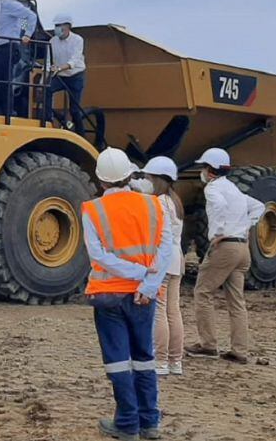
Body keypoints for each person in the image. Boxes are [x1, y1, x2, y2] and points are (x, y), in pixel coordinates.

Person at [82, 147, 173, 441]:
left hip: (109, 296)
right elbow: (165, 250)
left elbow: (97, 255)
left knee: (118, 361)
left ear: (101, 181)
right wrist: (146, 282)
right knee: (144, 357)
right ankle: (150, 422)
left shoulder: (92, 210)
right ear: (129, 175)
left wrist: (134, 274)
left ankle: (127, 424)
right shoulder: (156, 206)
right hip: (143, 296)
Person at [185, 147, 265, 364]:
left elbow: (218, 206)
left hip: (225, 247)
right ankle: (240, 350)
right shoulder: (235, 190)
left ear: (211, 170)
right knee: (236, 300)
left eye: (204, 167)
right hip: (241, 249)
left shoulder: (212, 189)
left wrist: (217, 233)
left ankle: (208, 344)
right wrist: (245, 227)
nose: (202, 171)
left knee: (203, 292)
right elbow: (258, 207)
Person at [138, 156, 186, 377]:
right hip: (178, 259)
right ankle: (176, 361)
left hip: (164, 261)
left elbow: (158, 236)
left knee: (159, 312)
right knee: (173, 311)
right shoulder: (175, 200)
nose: (146, 180)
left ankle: (160, 361)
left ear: (157, 179)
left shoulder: (158, 203)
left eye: (148, 177)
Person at [0, 0, 38, 116]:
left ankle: (7, 112)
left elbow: (30, 16)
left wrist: (27, 34)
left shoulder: (8, 5)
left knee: (4, 83)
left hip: (6, 48)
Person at [43, 14, 86, 134]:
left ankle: (81, 134)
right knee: (47, 90)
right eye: (55, 26)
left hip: (75, 76)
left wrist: (61, 67)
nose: (56, 28)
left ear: (68, 26)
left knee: (74, 110)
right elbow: (48, 62)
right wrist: (45, 78)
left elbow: (75, 59)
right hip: (59, 75)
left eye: (59, 25)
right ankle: (47, 120)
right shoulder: (52, 41)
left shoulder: (77, 40)